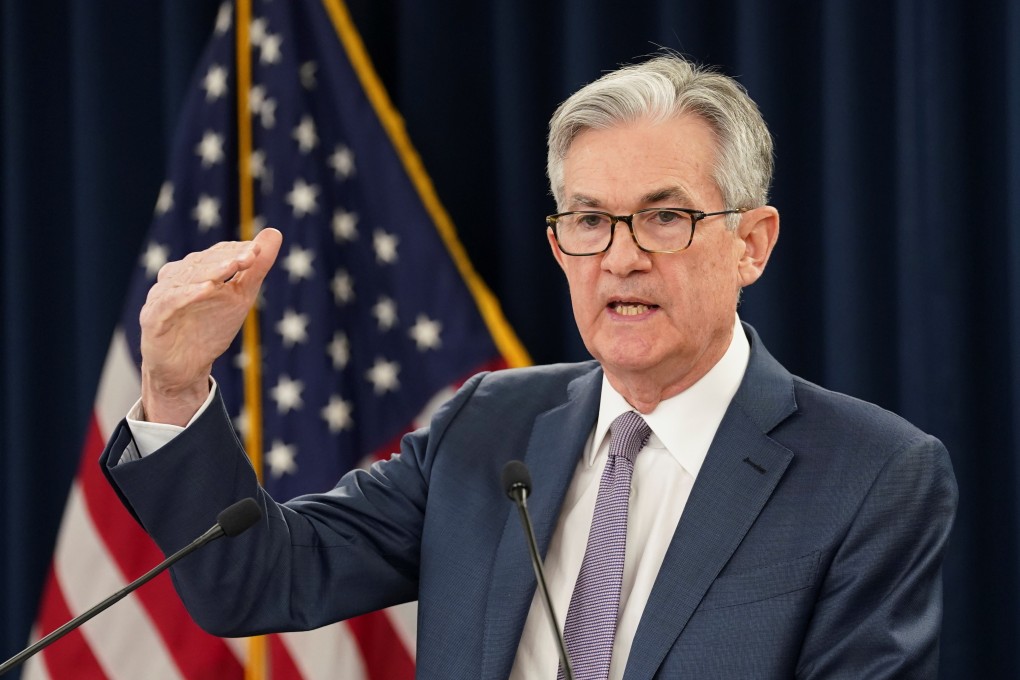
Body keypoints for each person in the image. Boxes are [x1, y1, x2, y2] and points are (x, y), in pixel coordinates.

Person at [102, 53, 958, 679]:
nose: (620, 258)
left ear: (751, 244)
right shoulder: (486, 425)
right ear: (559, 244)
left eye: (664, 218)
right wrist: (175, 389)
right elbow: (256, 583)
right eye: (589, 220)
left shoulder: (873, 474)